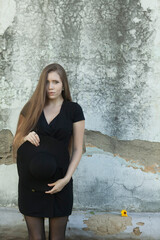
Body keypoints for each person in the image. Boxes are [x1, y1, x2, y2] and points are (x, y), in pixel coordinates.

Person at [12, 63, 85, 240]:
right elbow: (16, 142)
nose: (50, 87)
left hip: (60, 182)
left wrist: (66, 180)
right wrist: (24, 138)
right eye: (46, 82)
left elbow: (77, 149)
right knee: (35, 237)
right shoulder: (31, 108)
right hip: (31, 185)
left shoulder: (73, 110)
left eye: (55, 82)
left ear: (63, 85)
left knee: (57, 238)